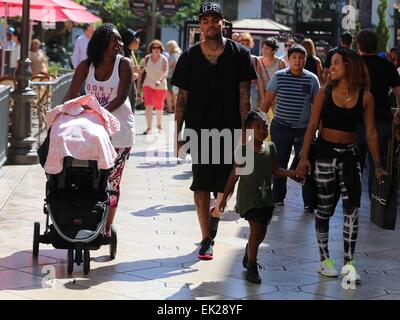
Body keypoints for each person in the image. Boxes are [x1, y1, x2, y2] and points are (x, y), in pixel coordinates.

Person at [172, 2, 257, 260]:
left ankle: (216, 213)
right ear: (200, 25)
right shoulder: (188, 57)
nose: (210, 24)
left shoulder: (240, 54)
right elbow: (181, 98)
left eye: (214, 19)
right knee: (200, 183)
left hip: (231, 128)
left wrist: (247, 134)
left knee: (229, 181)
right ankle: (206, 238)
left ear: (222, 23)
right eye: (205, 20)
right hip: (198, 128)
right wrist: (177, 133)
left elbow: (244, 97)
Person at [297, 48, 387, 281]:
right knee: (325, 210)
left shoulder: (365, 96)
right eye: (331, 63)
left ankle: (349, 264)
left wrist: (377, 164)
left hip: (351, 156)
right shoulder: (324, 93)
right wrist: (304, 158)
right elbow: (311, 126)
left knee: (352, 210)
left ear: (350, 66)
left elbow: (371, 133)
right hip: (325, 155)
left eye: (336, 63)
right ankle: (325, 260)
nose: (331, 68)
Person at [63, 23, 135, 236]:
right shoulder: (86, 65)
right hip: (92, 131)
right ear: (102, 41)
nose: (119, 44)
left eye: (120, 40)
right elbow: (71, 93)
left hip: (119, 131)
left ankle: (105, 228)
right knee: (89, 176)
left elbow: (121, 98)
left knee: (112, 181)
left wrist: (98, 112)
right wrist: (65, 111)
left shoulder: (125, 64)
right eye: (115, 39)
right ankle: (86, 216)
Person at [220, 110, 304, 284]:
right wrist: (223, 199)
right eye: (258, 127)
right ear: (248, 130)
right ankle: (252, 267)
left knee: (261, 234)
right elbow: (233, 176)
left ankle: (249, 251)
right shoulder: (242, 150)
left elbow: (276, 171)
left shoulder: (270, 148)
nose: (262, 130)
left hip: (265, 198)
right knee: (255, 229)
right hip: (249, 198)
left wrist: (293, 172)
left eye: (265, 127)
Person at [261, 44, 320, 214]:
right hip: (281, 127)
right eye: (294, 57)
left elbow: (316, 106)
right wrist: (259, 122)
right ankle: (278, 197)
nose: (298, 61)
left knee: (305, 165)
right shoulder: (279, 77)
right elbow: (267, 101)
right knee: (279, 163)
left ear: (305, 60)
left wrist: (319, 129)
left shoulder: (312, 79)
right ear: (288, 59)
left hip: (304, 130)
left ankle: (309, 202)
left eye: (301, 58)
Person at [355, 29, 400, 197]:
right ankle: (375, 200)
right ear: (377, 45)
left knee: (354, 164)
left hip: (356, 120)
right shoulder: (387, 65)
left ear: (359, 45)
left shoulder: (354, 64)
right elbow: (398, 92)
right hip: (381, 120)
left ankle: (354, 198)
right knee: (377, 163)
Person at [138, 39, 169, 134]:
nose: (156, 49)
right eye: (154, 47)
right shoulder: (146, 59)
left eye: (158, 47)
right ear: (151, 49)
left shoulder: (164, 59)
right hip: (148, 84)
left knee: (159, 107)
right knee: (148, 106)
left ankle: (159, 126)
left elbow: (166, 72)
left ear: (161, 49)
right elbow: (140, 73)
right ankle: (149, 127)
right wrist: (138, 86)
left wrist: (160, 80)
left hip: (161, 85)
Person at [237, 33, 264, 110]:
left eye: (247, 44)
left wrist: (263, 98)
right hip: (237, 87)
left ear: (250, 45)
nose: (245, 46)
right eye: (242, 44)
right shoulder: (233, 58)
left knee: (252, 111)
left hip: (252, 88)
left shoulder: (255, 59)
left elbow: (259, 79)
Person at [258, 37, 286, 116]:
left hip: (276, 98)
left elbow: (283, 83)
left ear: (274, 50)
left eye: (267, 48)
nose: (264, 50)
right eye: (263, 47)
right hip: (261, 97)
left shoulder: (280, 62)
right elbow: (259, 81)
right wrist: (264, 99)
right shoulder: (258, 61)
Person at [121, 28, 141, 113]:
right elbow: (123, 72)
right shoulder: (122, 53)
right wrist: (135, 73)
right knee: (128, 111)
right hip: (125, 86)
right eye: (135, 39)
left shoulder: (130, 52)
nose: (138, 41)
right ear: (129, 41)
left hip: (131, 85)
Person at [166, 40, 182, 113]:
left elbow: (175, 65)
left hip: (171, 76)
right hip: (173, 76)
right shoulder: (177, 54)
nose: (167, 48)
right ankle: (173, 108)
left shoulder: (174, 55)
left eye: (168, 46)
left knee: (170, 93)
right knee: (174, 93)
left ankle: (171, 109)